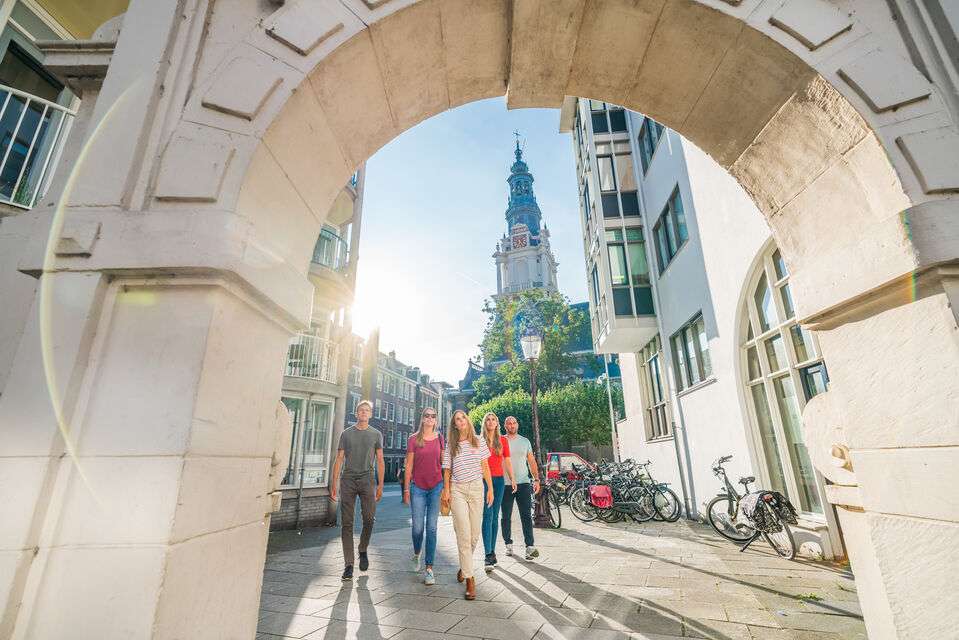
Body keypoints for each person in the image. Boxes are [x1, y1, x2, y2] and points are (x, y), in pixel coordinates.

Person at [441, 410, 494, 600]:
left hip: (477, 489)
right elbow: (447, 470)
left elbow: (485, 466)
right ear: (454, 425)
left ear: (467, 421)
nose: (461, 421)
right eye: (457, 419)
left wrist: (490, 489)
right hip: (457, 490)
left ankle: (464, 568)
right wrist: (446, 490)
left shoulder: (479, 440)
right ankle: (470, 580)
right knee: (463, 535)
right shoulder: (451, 445)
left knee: (474, 535)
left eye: (463, 417)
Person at [329, 400, 385, 581]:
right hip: (348, 480)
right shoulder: (346, 434)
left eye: (366, 410)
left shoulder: (376, 434)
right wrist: (334, 483)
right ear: (356, 413)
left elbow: (381, 460)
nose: (363, 412)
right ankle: (348, 565)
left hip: (367, 480)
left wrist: (380, 484)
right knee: (347, 523)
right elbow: (339, 459)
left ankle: (362, 548)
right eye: (361, 410)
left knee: (369, 519)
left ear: (370, 414)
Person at [403, 408, 444, 585]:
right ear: (422, 419)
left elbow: (445, 464)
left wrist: (447, 488)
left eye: (433, 416)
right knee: (417, 528)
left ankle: (429, 569)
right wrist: (406, 490)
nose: (429, 418)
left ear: (436, 420)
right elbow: (409, 466)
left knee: (432, 528)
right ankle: (417, 553)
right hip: (417, 488)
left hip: (436, 486)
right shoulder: (413, 439)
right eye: (426, 415)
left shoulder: (441, 439)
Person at [500, 415, 540, 560]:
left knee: (526, 515)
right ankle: (508, 544)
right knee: (506, 516)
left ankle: (530, 546)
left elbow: (531, 461)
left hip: (523, 482)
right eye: (509, 423)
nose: (512, 425)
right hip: (504, 484)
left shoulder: (525, 441)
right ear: (505, 426)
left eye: (514, 423)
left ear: (517, 425)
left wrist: (536, 479)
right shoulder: (500, 440)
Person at [480, 412, 516, 572]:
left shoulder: (503, 441)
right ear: (484, 423)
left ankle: (492, 551)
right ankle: (487, 554)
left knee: (495, 517)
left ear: (497, 423)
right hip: (483, 481)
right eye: (487, 419)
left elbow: (507, 461)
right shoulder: (479, 440)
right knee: (487, 516)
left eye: (493, 419)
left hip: (499, 481)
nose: (490, 421)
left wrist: (512, 479)